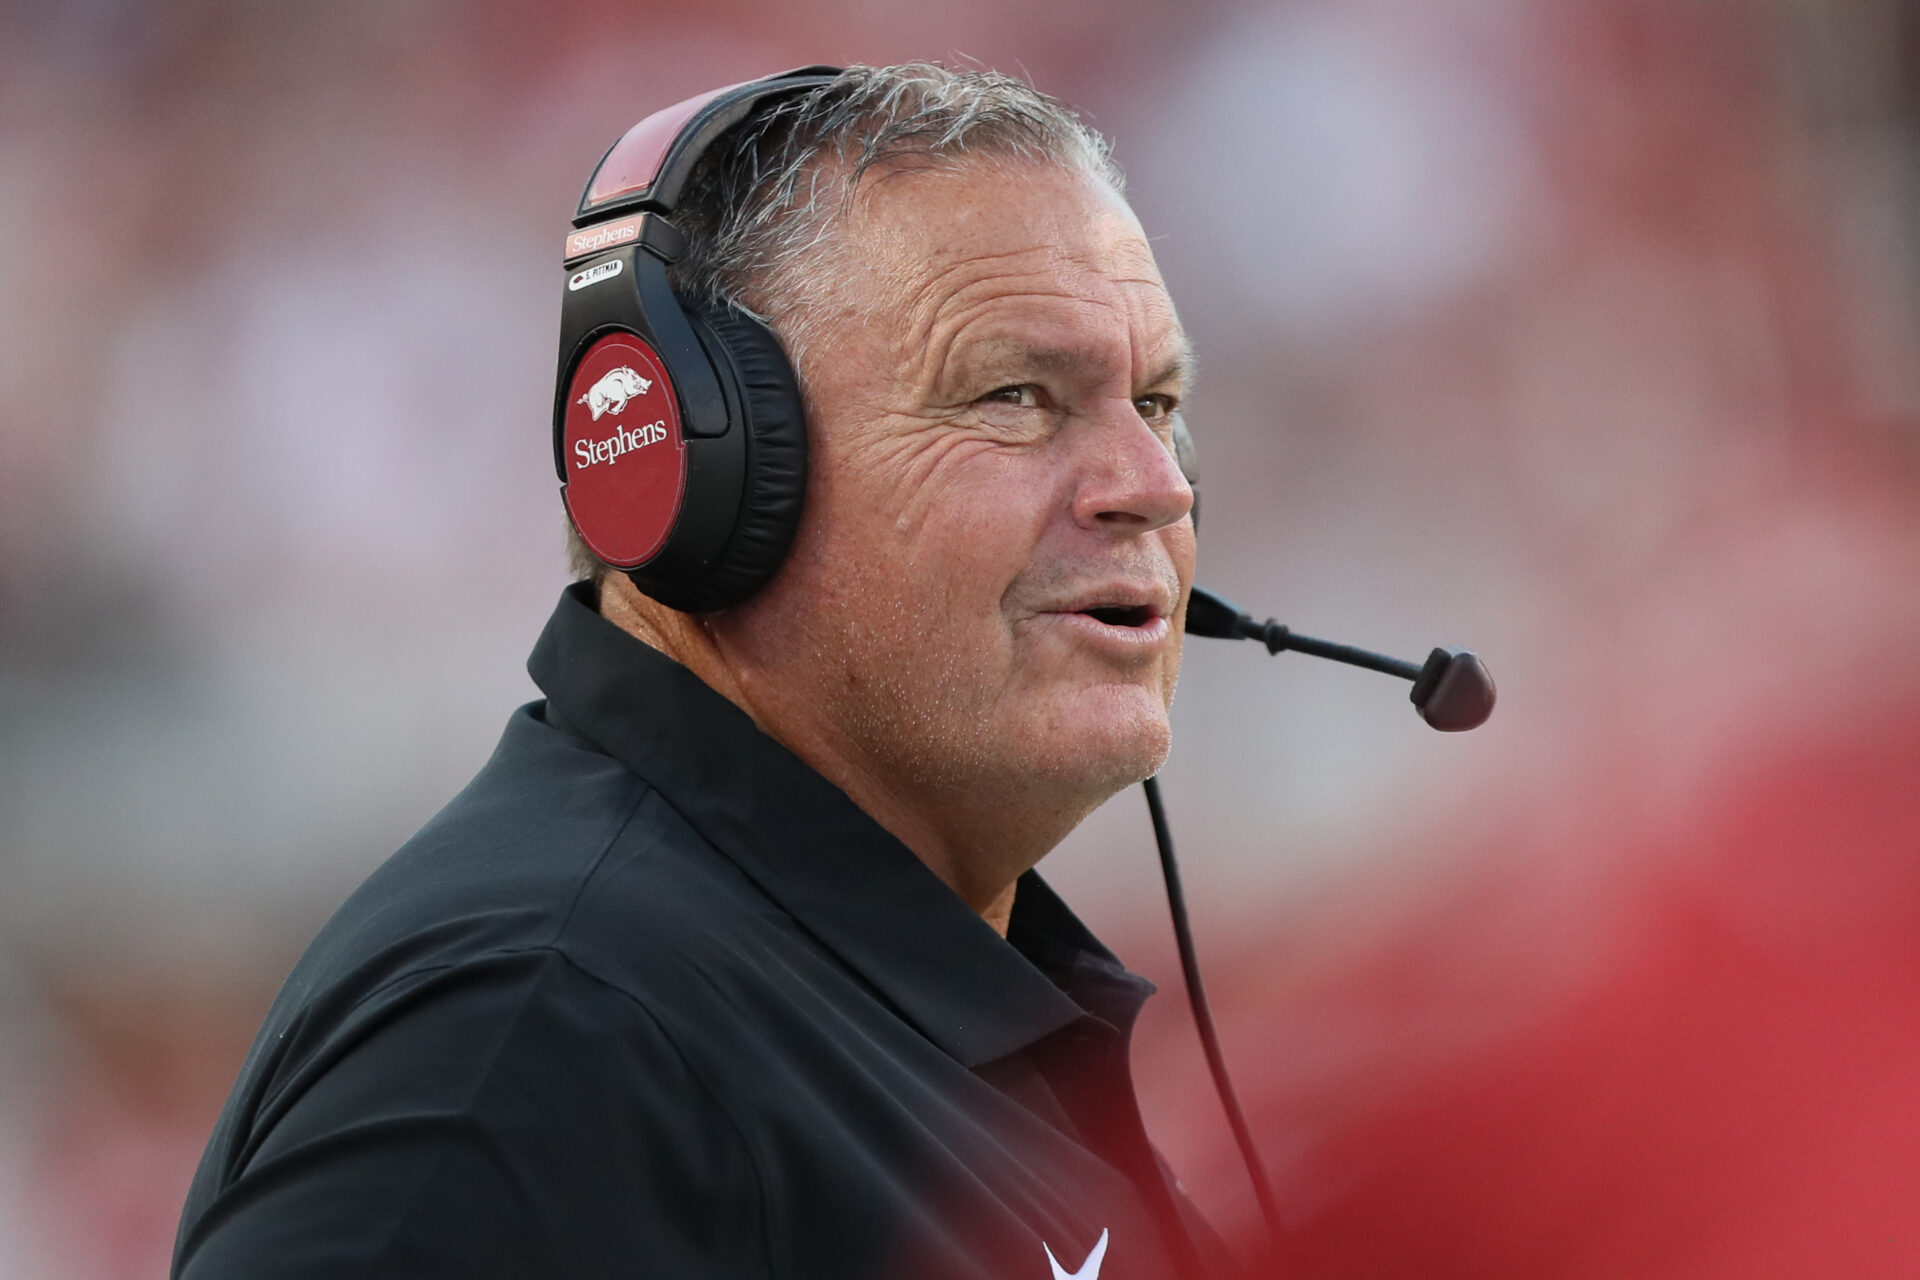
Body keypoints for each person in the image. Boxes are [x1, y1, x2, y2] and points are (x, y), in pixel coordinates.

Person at [172, 63, 1222, 1280]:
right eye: (1016, 395)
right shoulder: (538, 1029)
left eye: (1157, 399)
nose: (1157, 483)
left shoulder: (821, 989)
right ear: (695, 472)